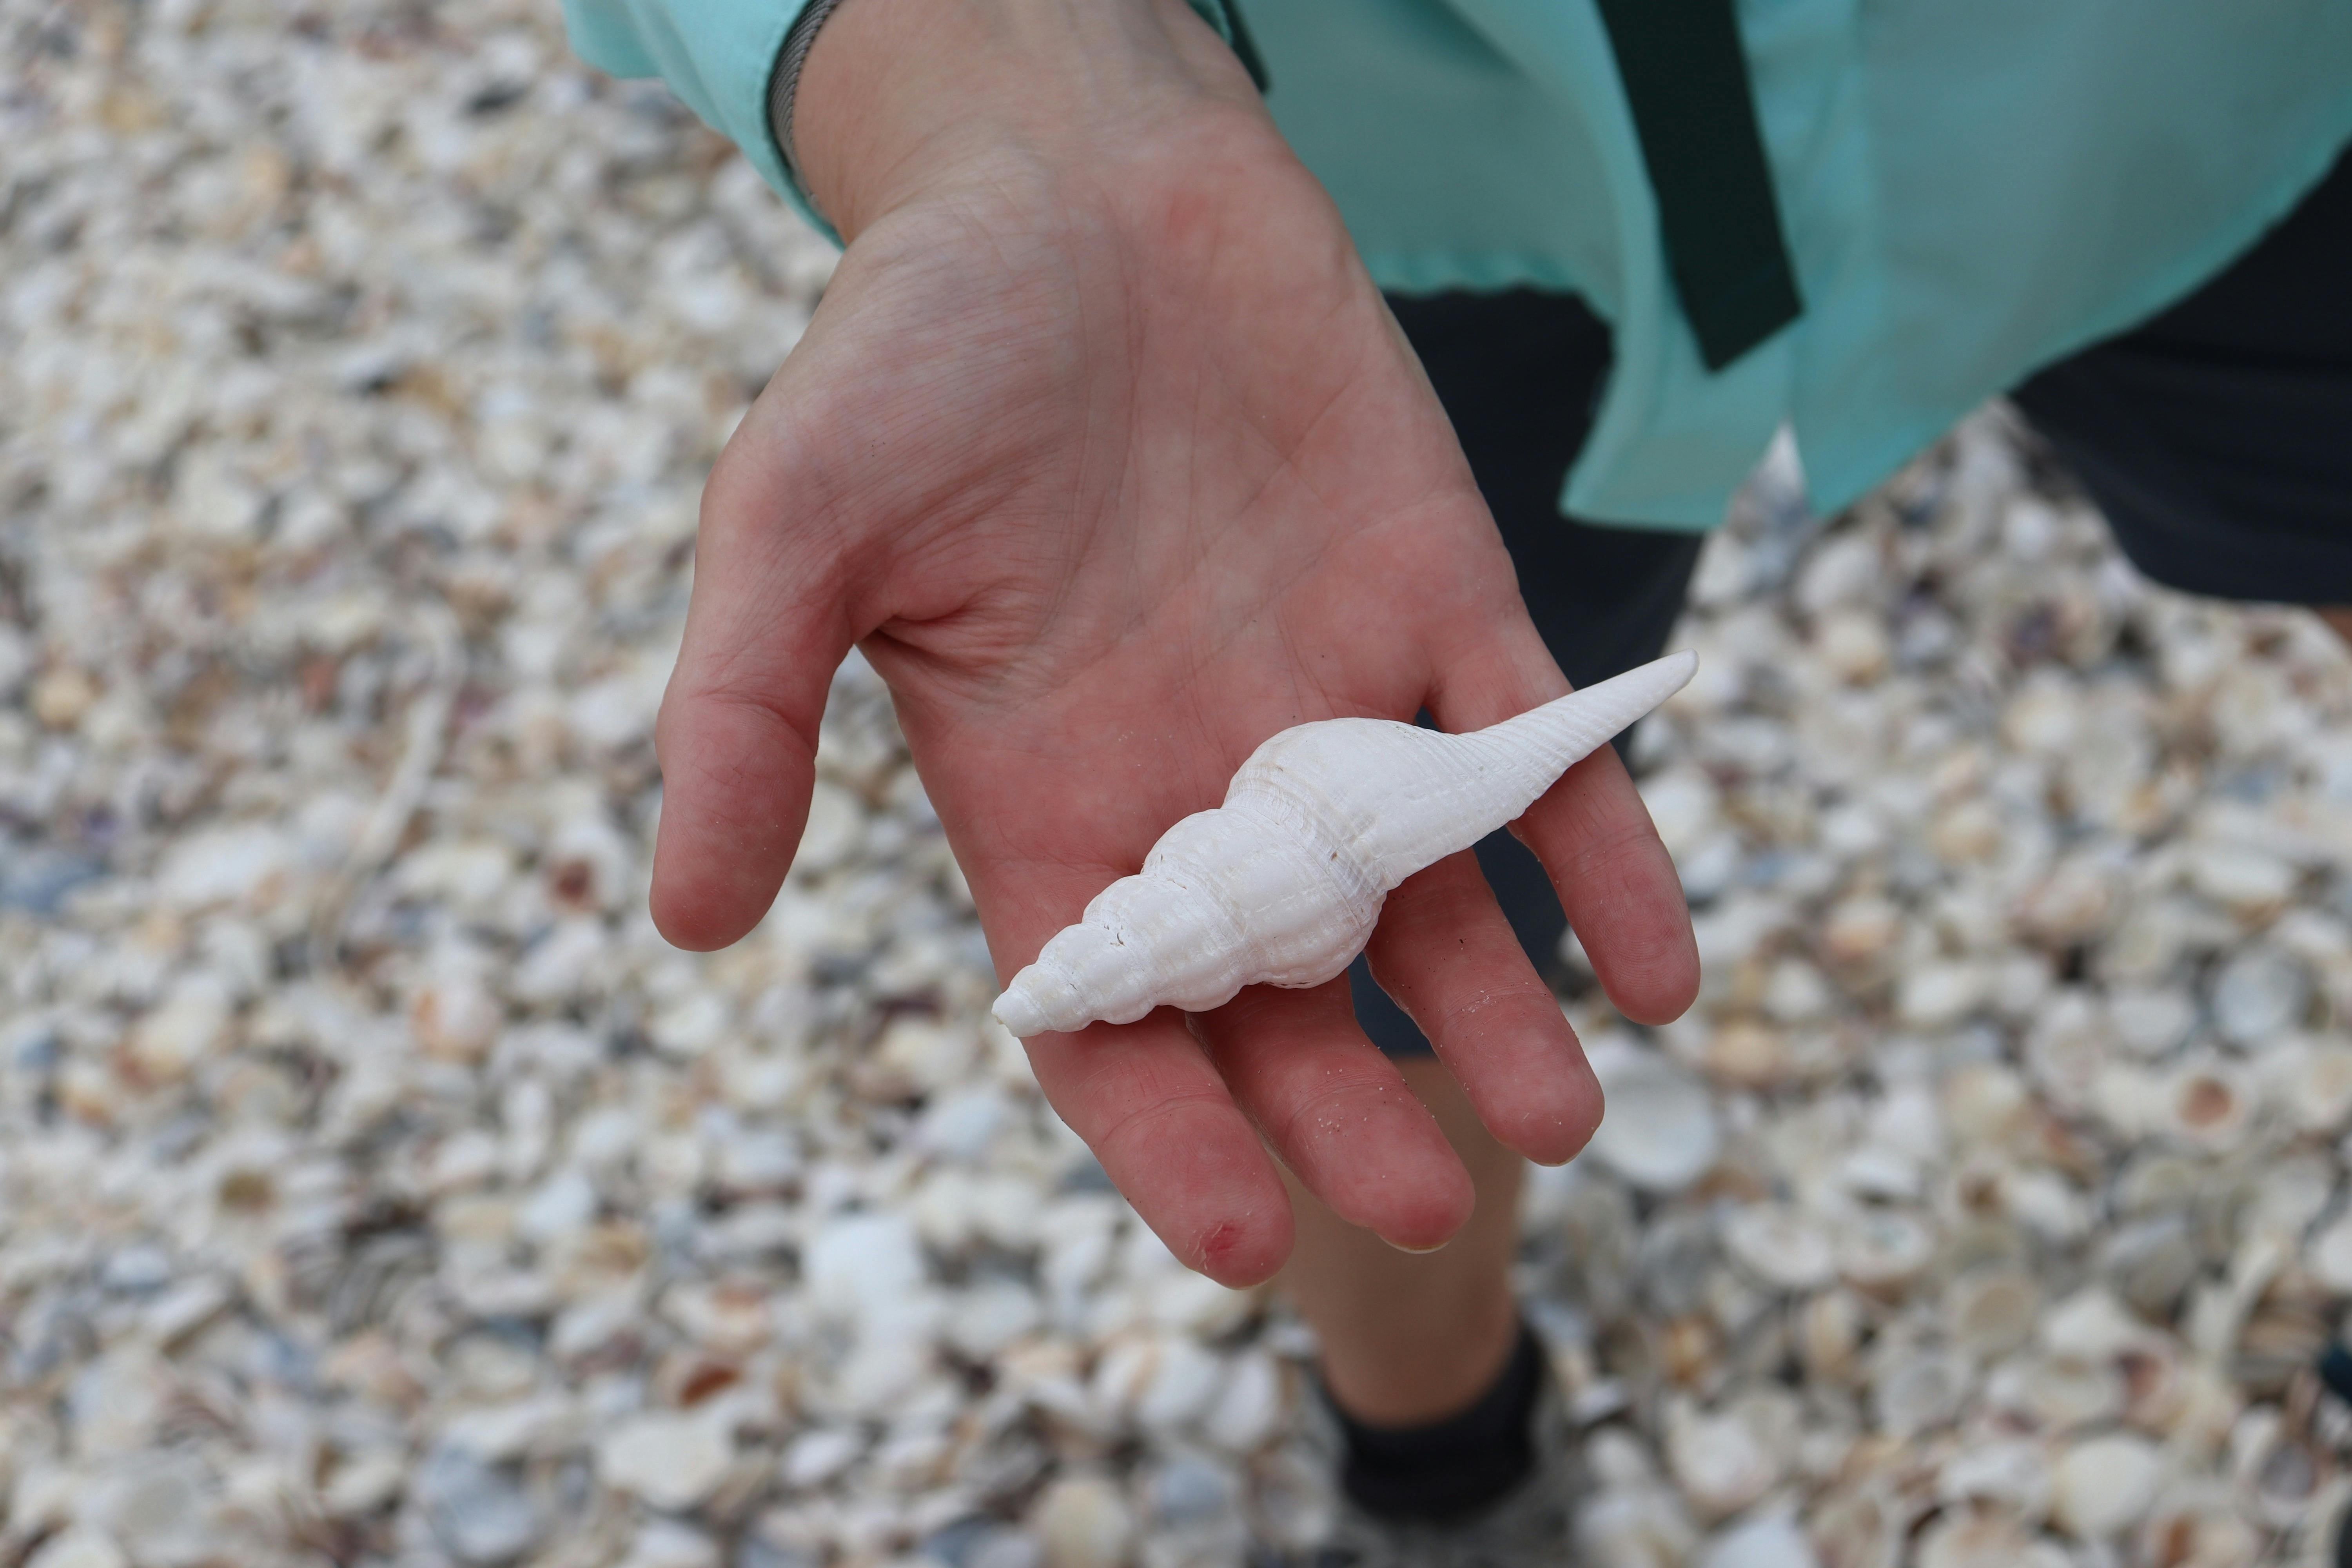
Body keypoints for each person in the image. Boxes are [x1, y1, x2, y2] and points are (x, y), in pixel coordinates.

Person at [561, 0, 2352, 1556]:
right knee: (1397, 1015)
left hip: (2173, 84)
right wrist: (1003, 65)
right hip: (1349, 196)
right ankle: (1442, 1459)